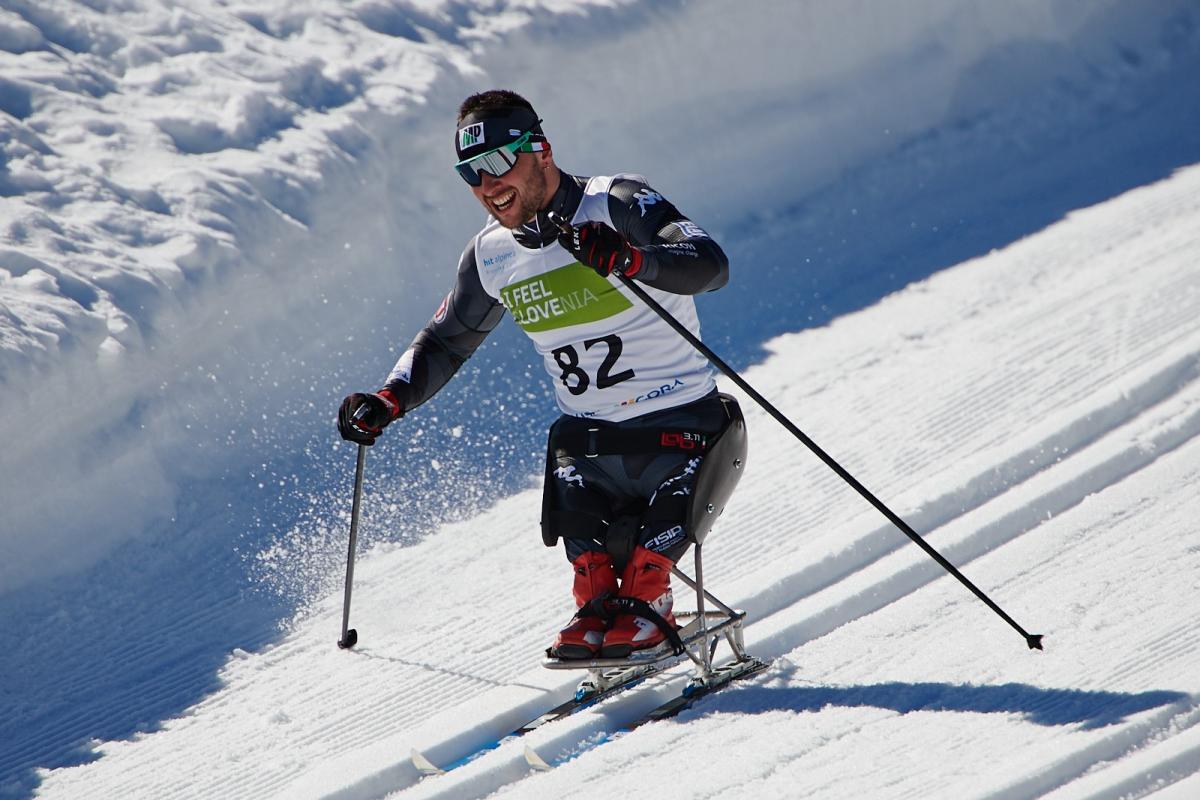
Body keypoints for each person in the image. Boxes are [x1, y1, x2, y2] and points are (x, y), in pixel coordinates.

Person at [338, 89, 741, 659]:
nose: (487, 184)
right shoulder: (492, 256)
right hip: (592, 448)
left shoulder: (617, 203)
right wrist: (388, 399)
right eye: (470, 173)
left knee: (644, 552)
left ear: (542, 150)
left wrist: (631, 260)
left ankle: (650, 600)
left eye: (500, 161)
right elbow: (448, 341)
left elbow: (710, 265)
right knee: (568, 454)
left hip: (686, 431)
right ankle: (599, 600)